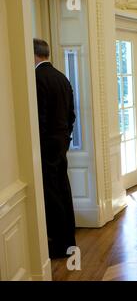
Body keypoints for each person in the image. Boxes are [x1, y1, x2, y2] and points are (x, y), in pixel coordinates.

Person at [34, 39, 76, 259]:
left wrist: (39, 144)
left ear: (34, 55)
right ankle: (69, 240)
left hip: (47, 145)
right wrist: (65, 137)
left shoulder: (37, 78)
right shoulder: (62, 78)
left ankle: (59, 245)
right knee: (63, 189)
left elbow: (39, 118)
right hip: (62, 142)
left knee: (52, 194)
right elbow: (71, 115)